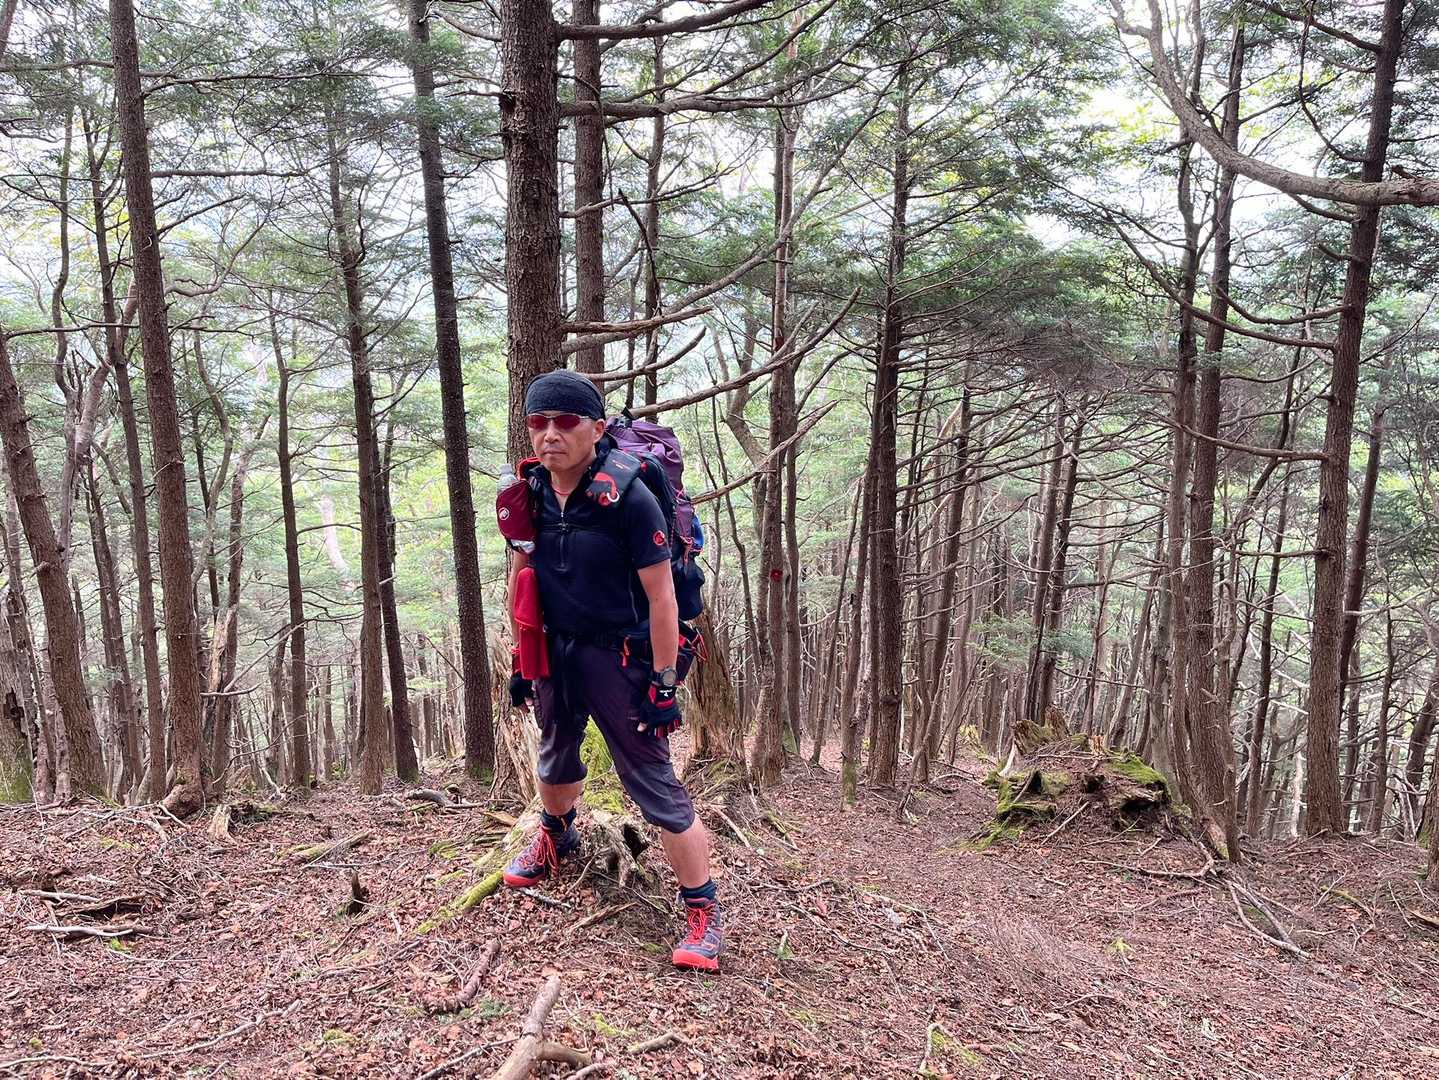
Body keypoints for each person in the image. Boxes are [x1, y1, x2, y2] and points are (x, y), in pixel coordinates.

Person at [501, 369, 723, 972]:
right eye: (539, 422)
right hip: (556, 653)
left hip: (621, 658)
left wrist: (663, 683)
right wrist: (523, 658)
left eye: (565, 422)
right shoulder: (529, 495)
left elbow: (662, 599)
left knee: (654, 784)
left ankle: (703, 911)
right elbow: (523, 581)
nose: (550, 434)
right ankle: (557, 835)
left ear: (596, 429)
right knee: (555, 755)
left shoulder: (629, 498)